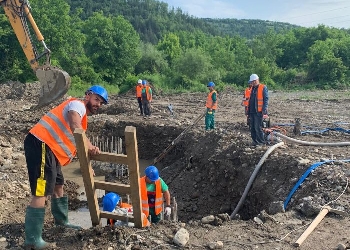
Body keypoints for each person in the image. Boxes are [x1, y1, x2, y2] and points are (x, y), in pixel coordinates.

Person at [23, 85, 108, 249]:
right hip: (41, 144)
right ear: (88, 95)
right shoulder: (77, 105)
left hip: (51, 151)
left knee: (58, 185)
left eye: (101, 102)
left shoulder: (83, 116)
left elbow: (77, 136)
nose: (98, 104)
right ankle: (32, 240)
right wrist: (90, 146)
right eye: (96, 99)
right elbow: (74, 124)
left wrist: (87, 164)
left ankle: (61, 222)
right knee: (41, 190)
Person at [246, 74, 269, 146]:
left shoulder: (263, 87)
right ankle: (255, 141)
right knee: (252, 127)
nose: (252, 83)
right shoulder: (252, 88)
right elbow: (250, 100)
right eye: (251, 82)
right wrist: (248, 110)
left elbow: (266, 99)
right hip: (252, 111)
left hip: (258, 111)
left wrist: (264, 109)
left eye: (253, 82)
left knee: (258, 127)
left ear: (256, 80)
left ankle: (261, 142)